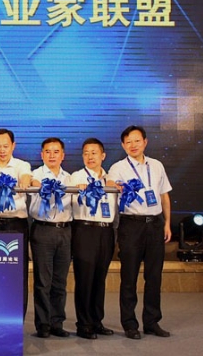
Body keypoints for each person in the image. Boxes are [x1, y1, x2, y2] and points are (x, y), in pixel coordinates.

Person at [107, 125, 172, 340]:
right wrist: (114, 185)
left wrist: (167, 223)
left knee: (154, 276)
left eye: (137, 141)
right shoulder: (118, 167)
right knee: (129, 277)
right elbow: (110, 183)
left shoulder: (157, 165)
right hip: (131, 225)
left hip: (155, 224)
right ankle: (130, 323)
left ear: (145, 142)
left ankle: (152, 322)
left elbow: (164, 196)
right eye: (128, 142)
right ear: (123, 145)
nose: (133, 145)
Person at [0, 128, 32, 318]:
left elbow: (26, 177)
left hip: (15, 225)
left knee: (17, 272)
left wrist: (24, 181)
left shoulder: (22, 165)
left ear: (13, 146)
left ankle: (18, 318)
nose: (2, 150)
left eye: (6, 146)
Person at [70, 138, 117, 339]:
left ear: (103, 155)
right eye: (86, 153)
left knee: (100, 278)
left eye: (94, 153)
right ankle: (84, 324)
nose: (90, 157)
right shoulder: (76, 176)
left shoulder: (110, 178)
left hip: (106, 231)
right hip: (85, 230)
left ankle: (97, 321)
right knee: (85, 279)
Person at [28, 137, 73, 338]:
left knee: (60, 281)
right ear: (42, 155)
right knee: (43, 281)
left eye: (56, 152)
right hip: (43, 230)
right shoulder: (35, 174)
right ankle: (43, 324)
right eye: (48, 151)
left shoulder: (70, 178)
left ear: (63, 155)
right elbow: (30, 183)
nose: (52, 155)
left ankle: (57, 323)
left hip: (65, 231)